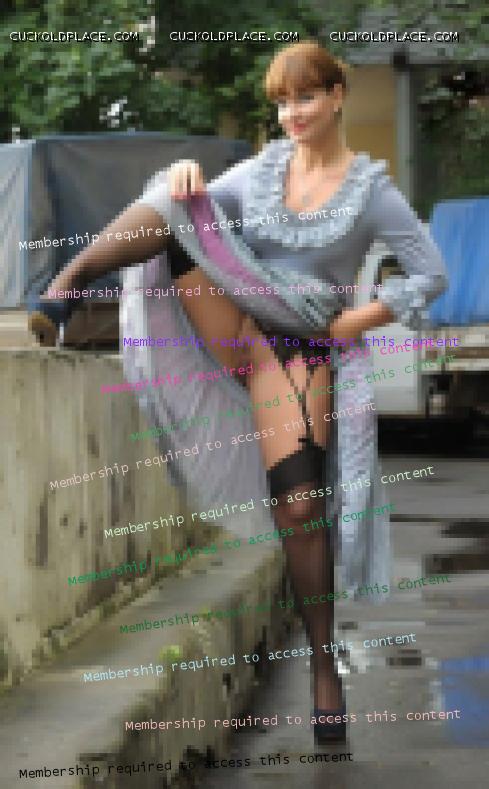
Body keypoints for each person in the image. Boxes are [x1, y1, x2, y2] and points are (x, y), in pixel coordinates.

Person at [28, 40, 448, 743]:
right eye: (281, 102)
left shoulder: (372, 193)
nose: (292, 113)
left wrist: (355, 319)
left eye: (305, 97)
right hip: (236, 323)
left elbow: (430, 274)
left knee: (300, 504)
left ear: (337, 96)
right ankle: (66, 287)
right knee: (172, 197)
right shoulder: (261, 172)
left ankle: (323, 666)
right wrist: (187, 173)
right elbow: (190, 215)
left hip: (299, 343)